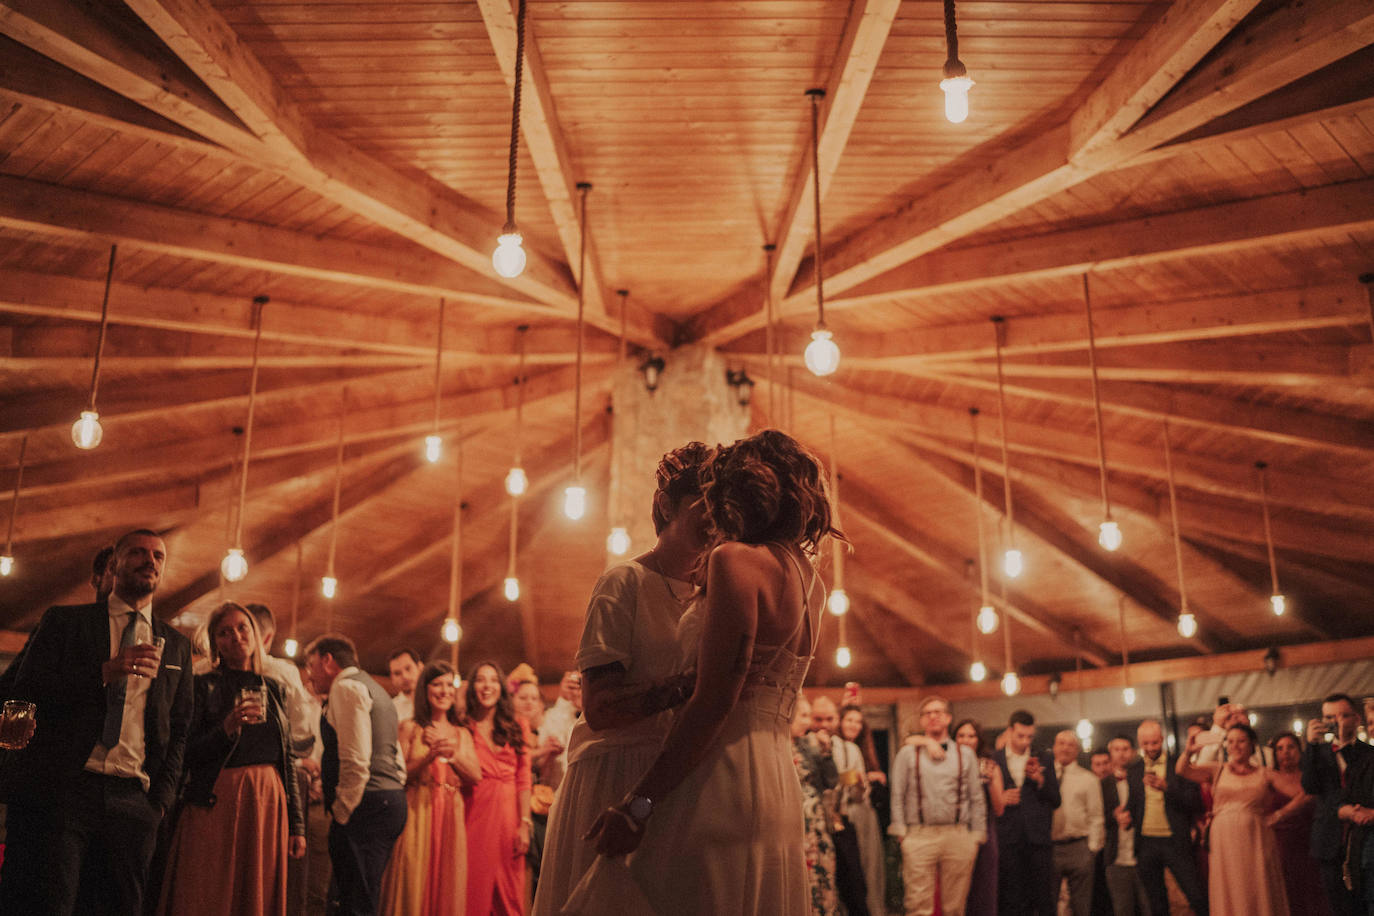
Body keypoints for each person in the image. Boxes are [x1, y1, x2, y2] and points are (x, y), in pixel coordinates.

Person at [572, 428, 839, 914]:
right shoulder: (811, 580)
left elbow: (714, 702)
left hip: (721, 774)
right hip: (777, 776)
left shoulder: (734, 560)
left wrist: (638, 806)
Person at [530, 441, 712, 916]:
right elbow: (600, 706)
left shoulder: (713, 593)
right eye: (703, 503)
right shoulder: (623, 583)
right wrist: (694, 684)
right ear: (668, 506)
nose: (714, 516)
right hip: (615, 774)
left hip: (674, 775)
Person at [0, 529, 193, 916]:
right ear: (113, 564)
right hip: (69, 790)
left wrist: (159, 803)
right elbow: (25, 689)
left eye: (158, 556)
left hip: (134, 798)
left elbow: (179, 728)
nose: (149, 561)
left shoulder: (176, 645)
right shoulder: (65, 622)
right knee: (53, 903)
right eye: (138, 552)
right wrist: (103, 671)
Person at [156, 602, 306, 915]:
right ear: (215, 643)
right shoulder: (203, 685)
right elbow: (185, 753)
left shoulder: (275, 688)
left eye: (242, 628)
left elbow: (287, 758)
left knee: (255, 892)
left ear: (255, 634)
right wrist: (226, 728)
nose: (236, 636)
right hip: (217, 797)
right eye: (225, 632)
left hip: (267, 800)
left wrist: (297, 825)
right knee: (205, 890)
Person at [304, 634, 407, 916]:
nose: (310, 674)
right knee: (364, 892)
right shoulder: (376, 688)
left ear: (327, 661)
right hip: (389, 800)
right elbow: (396, 755)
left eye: (311, 664)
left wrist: (342, 811)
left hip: (365, 804)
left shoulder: (346, 687)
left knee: (355, 900)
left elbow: (356, 758)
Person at [381, 661, 480, 916]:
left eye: (449, 684)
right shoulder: (409, 727)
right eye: (437, 684)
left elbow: (475, 775)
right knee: (413, 875)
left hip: (450, 811)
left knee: (448, 878)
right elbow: (398, 775)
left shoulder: (462, 734)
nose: (444, 690)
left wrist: (452, 753)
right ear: (425, 689)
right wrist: (429, 756)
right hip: (417, 810)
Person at [1178, 722, 1292, 915]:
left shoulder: (1265, 773)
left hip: (1255, 838)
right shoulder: (1217, 769)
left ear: (1252, 744)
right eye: (1230, 741)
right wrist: (1188, 752)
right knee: (1230, 884)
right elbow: (1183, 770)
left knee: (1256, 883)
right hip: (1224, 840)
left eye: (1241, 741)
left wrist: (1279, 815)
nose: (1235, 746)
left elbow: (1303, 793)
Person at [891, 696, 987, 916]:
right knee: (917, 904)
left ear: (948, 718)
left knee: (955, 906)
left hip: (958, 835)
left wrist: (977, 835)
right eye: (928, 713)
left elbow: (976, 796)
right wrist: (902, 833)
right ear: (922, 721)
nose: (933, 716)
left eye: (938, 712)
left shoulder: (966, 755)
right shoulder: (907, 754)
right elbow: (897, 793)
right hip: (919, 835)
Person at [464, 661, 532, 916]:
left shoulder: (517, 726)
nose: (487, 686)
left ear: (501, 688)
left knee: (509, 894)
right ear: (472, 687)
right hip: (473, 815)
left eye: (493, 680)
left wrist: (524, 823)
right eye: (481, 680)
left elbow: (524, 777)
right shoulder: (463, 727)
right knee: (472, 887)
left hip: (508, 819)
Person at [1304, 693, 1374, 916]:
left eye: (1344, 716)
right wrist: (1311, 745)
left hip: (1363, 837)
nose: (1337, 722)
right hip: (1329, 837)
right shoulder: (1318, 752)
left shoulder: (1368, 753)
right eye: (1330, 717)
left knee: (1362, 903)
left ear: (1357, 719)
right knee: (1337, 905)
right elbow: (1310, 786)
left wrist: (1345, 745)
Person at [1133, 717, 1208, 916]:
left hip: (1175, 841)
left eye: (1154, 742)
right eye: (1146, 743)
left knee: (1196, 896)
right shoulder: (1134, 770)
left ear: (1163, 739)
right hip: (1146, 843)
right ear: (1140, 743)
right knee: (1157, 904)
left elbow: (1195, 802)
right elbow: (1133, 807)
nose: (1150, 747)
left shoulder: (1180, 765)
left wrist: (1167, 787)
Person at [992, 709, 1061, 916]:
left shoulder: (1044, 758)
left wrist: (1040, 781)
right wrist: (1000, 797)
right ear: (1010, 731)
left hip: (1038, 840)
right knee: (1012, 898)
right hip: (1008, 839)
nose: (1024, 741)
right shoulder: (995, 759)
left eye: (1029, 737)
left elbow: (1056, 800)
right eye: (1020, 736)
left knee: (1044, 897)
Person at [814, 694, 870, 916]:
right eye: (818, 719)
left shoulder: (850, 749)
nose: (824, 725)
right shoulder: (796, 746)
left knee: (855, 889)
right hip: (808, 828)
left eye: (829, 719)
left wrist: (860, 787)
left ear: (837, 719)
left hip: (841, 824)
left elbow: (858, 798)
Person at [1268, 732, 1327, 916]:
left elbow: (1315, 796)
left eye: (1291, 747)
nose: (1286, 752)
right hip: (1281, 845)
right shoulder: (1269, 778)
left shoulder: (1310, 777)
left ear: (1300, 751)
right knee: (1287, 891)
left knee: (1314, 890)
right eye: (1280, 748)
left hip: (1310, 839)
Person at [794, 695, 841, 914]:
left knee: (823, 871)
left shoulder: (809, 744)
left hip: (815, 820)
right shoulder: (776, 745)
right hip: (793, 819)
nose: (808, 722)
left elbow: (831, 781)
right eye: (803, 716)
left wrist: (825, 752)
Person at [1050, 729, 1104, 916]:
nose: (1065, 748)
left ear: (1077, 750)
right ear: (1054, 747)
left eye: (1070, 744)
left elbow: (1096, 816)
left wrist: (1091, 849)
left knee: (1082, 907)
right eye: (1061, 743)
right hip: (1050, 847)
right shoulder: (1044, 777)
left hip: (1079, 847)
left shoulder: (1088, 779)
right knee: (1047, 904)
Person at [841, 703, 888, 916]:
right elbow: (843, 781)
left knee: (871, 867)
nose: (854, 725)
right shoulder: (837, 746)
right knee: (853, 869)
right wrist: (866, 779)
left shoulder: (860, 749)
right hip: (849, 812)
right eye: (849, 720)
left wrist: (870, 779)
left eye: (858, 722)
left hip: (866, 813)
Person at [953, 718, 1004, 916]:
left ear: (978, 740)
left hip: (984, 833)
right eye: (961, 735)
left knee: (983, 890)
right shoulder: (946, 764)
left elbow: (999, 809)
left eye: (971, 736)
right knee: (956, 891)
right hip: (955, 832)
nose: (966, 740)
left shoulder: (990, 765)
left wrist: (990, 782)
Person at [1100, 735, 1148, 916]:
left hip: (1142, 855)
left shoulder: (1144, 780)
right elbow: (1096, 817)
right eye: (1117, 749)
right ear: (1110, 752)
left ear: (1133, 752)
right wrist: (1114, 816)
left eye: (1125, 749)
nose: (1121, 754)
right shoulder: (1102, 784)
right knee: (1122, 909)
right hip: (1116, 857)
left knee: (1149, 907)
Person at [537, 670, 581, 791]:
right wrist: (563, 699)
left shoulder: (599, 718)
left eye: (582, 685)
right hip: (559, 790)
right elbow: (553, 741)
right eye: (572, 685)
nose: (577, 690)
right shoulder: (553, 716)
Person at [389, 650, 423, 725]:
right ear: (392, 678)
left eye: (408, 668)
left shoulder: (436, 701)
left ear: (420, 667)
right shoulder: (391, 709)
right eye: (397, 673)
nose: (404, 676)